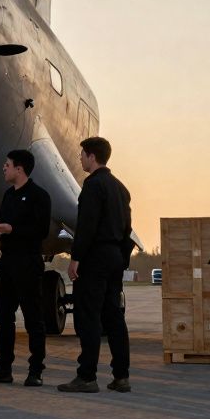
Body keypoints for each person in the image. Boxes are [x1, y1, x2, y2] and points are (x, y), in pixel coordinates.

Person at [58, 137, 132, 393]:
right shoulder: (120, 189)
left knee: (88, 317)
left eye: (82, 155)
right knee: (114, 318)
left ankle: (87, 376)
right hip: (114, 258)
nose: (79, 158)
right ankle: (121, 376)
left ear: (91, 156)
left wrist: (76, 258)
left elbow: (86, 226)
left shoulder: (92, 186)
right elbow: (127, 230)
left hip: (95, 258)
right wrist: (121, 259)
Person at [0, 149, 51, 387]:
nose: (4, 168)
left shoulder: (39, 196)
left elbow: (41, 232)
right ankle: (4, 369)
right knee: (3, 318)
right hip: (7, 263)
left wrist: (13, 230)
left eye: (7, 164)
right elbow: (5, 223)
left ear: (20, 169)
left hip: (28, 263)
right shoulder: (9, 195)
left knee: (33, 320)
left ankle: (35, 370)